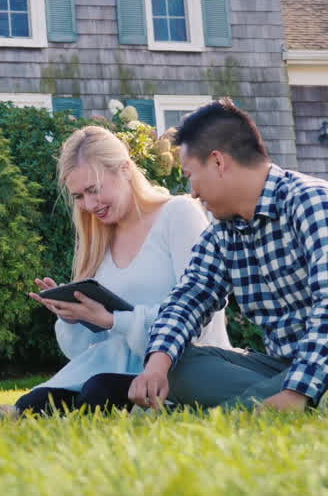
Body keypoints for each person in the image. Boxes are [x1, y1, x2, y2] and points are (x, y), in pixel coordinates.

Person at [130, 99, 328, 412]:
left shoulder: (311, 200)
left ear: (218, 163)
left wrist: (296, 391)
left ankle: (245, 414)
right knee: (179, 364)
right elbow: (190, 297)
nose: (193, 192)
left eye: (190, 175)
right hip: (290, 370)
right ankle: (319, 410)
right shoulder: (223, 233)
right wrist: (157, 364)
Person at [15, 125, 231, 414]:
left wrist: (113, 320)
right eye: (79, 196)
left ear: (126, 170)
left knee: (98, 392)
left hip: (182, 367)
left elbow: (200, 315)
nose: (90, 205)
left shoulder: (178, 214)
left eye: (94, 190)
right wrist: (72, 316)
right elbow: (83, 350)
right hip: (116, 370)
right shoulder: (99, 238)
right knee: (34, 404)